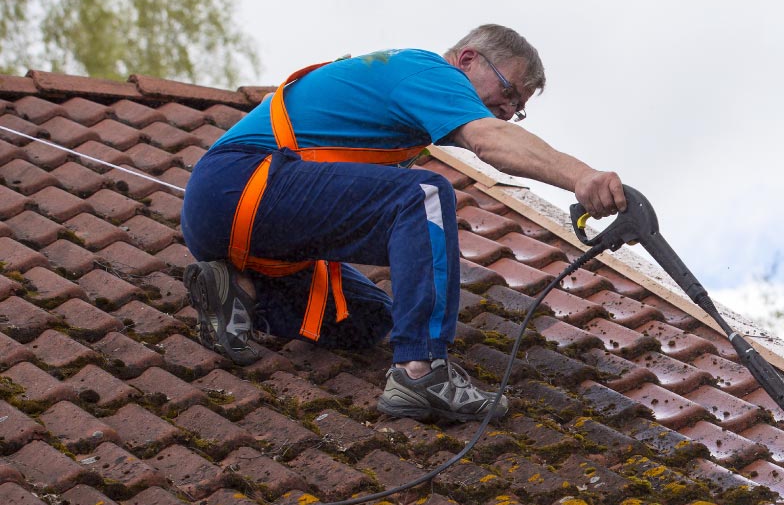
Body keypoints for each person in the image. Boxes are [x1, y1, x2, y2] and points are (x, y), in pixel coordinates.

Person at [180, 24, 625, 423]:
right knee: (423, 196)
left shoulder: (400, 100)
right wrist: (581, 177)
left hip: (235, 222)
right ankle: (422, 371)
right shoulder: (427, 71)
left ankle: (237, 290)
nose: (507, 110)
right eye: (508, 92)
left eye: (519, 107)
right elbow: (490, 141)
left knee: (368, 321)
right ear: (468, 59)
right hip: (240, 183)